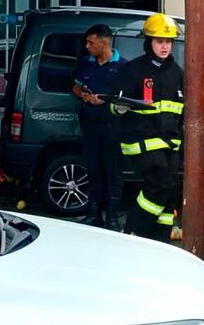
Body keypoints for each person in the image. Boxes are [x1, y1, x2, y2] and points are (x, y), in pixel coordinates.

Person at [111, 13, 184, 242]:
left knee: (169, 190)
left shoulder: (177, 74)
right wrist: (120, 108)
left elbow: (182, 111)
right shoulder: (133, 70)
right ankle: (134, 230)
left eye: (168, 41)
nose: (165, 46)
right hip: (142, 141)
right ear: (149, 42)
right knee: (160, 182)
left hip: (170, 144)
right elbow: (114, 105)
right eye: (159, 41)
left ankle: (159, 239)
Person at [72, 24, 127, 229]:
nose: (87, 46)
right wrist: (83, 95)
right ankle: (93, 213)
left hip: (113, 126)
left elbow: (128, 99)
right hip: (90, 125)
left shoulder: (123, 67)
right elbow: (75, 86)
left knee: (113, 172)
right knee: (93, 169)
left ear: (104, 43)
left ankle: (112, 217)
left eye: (91, 42)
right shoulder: (86, 64)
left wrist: (105, 100)